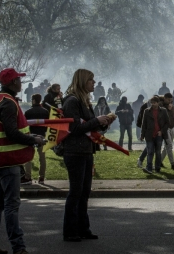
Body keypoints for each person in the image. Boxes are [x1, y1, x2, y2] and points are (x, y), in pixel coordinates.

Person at [0, 68, 45, 254]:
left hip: (1, 160)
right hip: (8, 161)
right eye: (18, 79)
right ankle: (18, 247)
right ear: (10, 83)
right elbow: (11, 133)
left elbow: (11, 130)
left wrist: (30, 136)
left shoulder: (1, 100)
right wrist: (34, 140)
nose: (20, 82)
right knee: (11, 205)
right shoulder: (8, 103)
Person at [61, 69, 113, 242]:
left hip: (86, 150)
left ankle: (83, 228)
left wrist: (103, 123)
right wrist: (96, 121)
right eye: (91, 80)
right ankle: (70, 230)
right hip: (75, 151)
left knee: (84, 192)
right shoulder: (72, 101)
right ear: (83, 81)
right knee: (76, 192)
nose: (94, 83)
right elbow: (74, 128)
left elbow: (90, 127)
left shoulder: (84, 101)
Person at [23, 94, 49, 185]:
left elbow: (24, 125)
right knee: (42, 158)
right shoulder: (45, 111)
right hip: (42, 135)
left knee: (28, 158)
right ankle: (41, 177)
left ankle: (28, 176)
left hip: (31, 136)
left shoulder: (28, 112)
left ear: (33, 100)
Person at [140, 96, 169, 174]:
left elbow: (167, 123)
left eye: (154, 103)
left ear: (158, 102)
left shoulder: (163, 111)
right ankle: (149, 168)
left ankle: (157, 167)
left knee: (158, 152)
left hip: (158, 135)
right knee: (150, 151)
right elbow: (144, 124)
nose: (153, 104)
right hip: (149, 135)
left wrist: (162, 131)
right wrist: (142, 135)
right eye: (151, 103)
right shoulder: (147, 111)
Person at [160, 93, 174, 170]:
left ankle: (159, 161)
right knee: (169, 146)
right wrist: (168, 109)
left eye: (171, 100)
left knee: (167, 147)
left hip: (172, 127)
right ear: (165, 98)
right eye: (168, 100)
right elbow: (162, 115)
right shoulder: (161, 106)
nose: (170, 102)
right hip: (165, 128)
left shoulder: (172, 106)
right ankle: (172, 164)